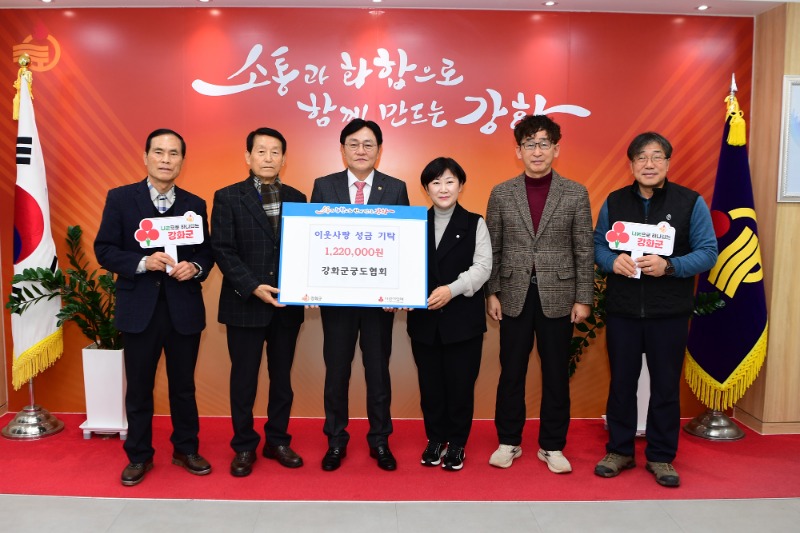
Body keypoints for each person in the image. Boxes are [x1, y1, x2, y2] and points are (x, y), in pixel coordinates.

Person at [593, 132, 717, 487]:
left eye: (657, 156)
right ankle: (619, 450)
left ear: (667, 162)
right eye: (641, 157)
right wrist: (611, 262)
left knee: (665, 387)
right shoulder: (615, 201)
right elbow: (598, 245)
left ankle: (661, 456)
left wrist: (670, 266)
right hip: (624, 311)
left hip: (669, 312)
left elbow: (708, 252)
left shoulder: (690, 202)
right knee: (621, 384)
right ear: (631, 164)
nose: (649, 164)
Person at [94, 128, 214, 486]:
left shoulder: (194, 204)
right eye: (159, 152)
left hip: (183, 309)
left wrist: (196, 267)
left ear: (182, 161)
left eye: (174, 153)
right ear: (145, 157)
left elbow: (206, 250)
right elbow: (104, 249)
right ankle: (139, 455)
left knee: (184, 387)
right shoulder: (120, 199)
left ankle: (186, 449)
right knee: (139, 388)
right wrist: (143, 262)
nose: (166, 159)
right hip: (139, 309)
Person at [485, 114, 594, 474]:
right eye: (529, 144)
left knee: (556, 374)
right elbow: (493, 248)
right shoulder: (501, 193)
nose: (537, 151)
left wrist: (583, 298)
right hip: (513, 295)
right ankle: (508, 441)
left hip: (560, 296)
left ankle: (552, 445)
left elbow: (584, 249)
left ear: (556, 149)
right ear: (518, 151)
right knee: (511, 372)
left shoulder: (575, 193)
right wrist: (492, 292)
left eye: (544, 144)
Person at [310, 118, 410, 472]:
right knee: (336, 373)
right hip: (336, 301)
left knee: (378, 373)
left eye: (369, 144)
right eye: (353, 144)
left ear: (379, 150)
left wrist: (400, 292)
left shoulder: (395, 188)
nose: (361, 150)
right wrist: (311, 284)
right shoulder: (324, 186)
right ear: (342, 149)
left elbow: (403, 245)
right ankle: (335, 440)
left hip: (379, 304)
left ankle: (380, 440)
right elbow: (314, 240)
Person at [211, 127, 307, 477]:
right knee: (244, 380)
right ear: (248, 156)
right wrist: (253, 286)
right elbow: (222, 248)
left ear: (284, 158)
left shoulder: (299, 198)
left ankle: (278, 440)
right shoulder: (227, 196)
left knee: (282, 379)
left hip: (286, 306)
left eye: (275, 151)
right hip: (244, 303)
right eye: (261, 151)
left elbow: (307, 250)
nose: (268, 158)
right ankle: (244, 445)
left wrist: (310, 288)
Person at [406, 157, 491, 471]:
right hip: (424, 321)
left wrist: (451, 290)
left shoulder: (475, 223)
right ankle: (435, 438)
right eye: (436, 182)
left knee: (460, 386)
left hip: (462, 321)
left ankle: (456, 443)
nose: (443, 188)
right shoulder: (414, 223)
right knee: (430, 387)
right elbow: (402, 266)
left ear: (461, 185)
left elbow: (483, 267)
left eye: (450, 181)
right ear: (426, 188)